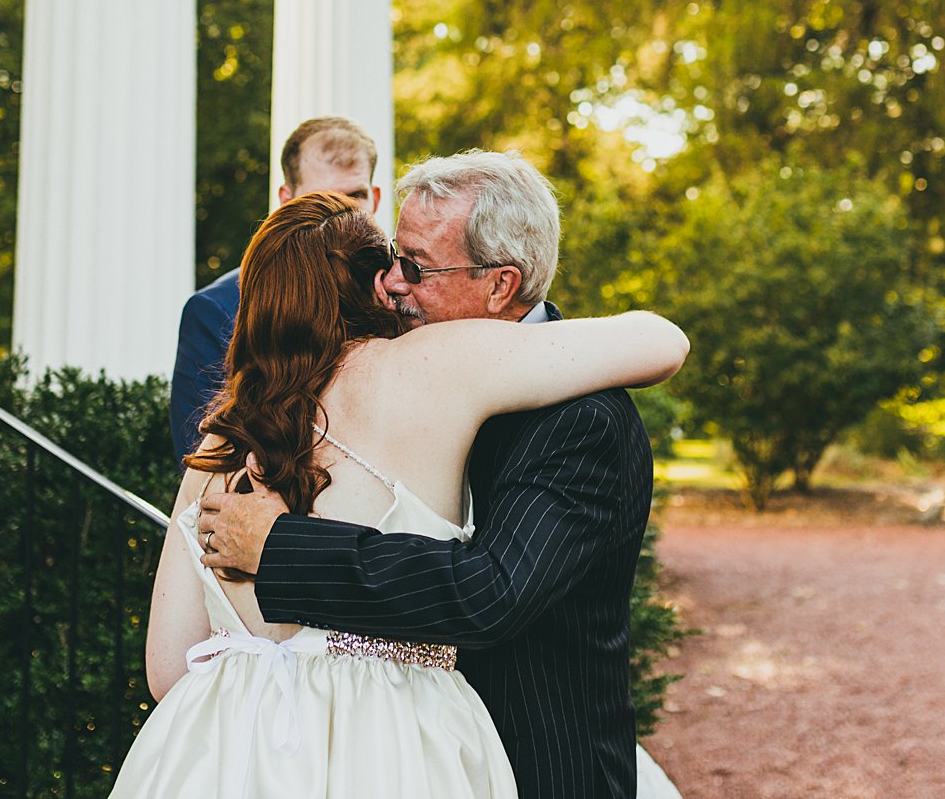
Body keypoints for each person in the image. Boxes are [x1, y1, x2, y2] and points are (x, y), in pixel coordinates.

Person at [109, 191, 687, 798]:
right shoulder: (435, 364)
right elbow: (662, 342)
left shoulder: (219, 441)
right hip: (393, 744)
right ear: (372, 283)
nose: (401, 284)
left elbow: (169, 666)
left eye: (415, 266)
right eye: (396, 264)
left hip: (221, 755)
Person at [169, 116, 381, 459]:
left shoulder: (404, 294)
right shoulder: (217, 309)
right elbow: (202, 454)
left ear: (375, 198)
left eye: (355, 196)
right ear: (286, 200)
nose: (343, 215)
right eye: (323, 198)